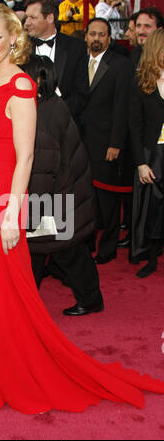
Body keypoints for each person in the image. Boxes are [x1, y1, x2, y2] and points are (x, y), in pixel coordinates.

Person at [0, 2, 164, 414]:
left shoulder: (20, 86)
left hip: (2, 197)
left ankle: (15, 368)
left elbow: (28, 157)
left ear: (15, 38)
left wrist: (13, 213)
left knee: (7, 287)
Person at [23, 55, 103, 317]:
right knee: (61, 252)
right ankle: (27, 305)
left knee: (60, 252)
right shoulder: (53, 104)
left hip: (57, 200)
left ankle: (89, 300)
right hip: (67, 195)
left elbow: (42, 172)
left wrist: (32, 216)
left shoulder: (42, 117)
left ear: (35, 80)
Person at [84, 17, 132, 264]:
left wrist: (116, 143)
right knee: (87, 196)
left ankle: (108, 247)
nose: (96, 38)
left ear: (109, 39)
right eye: (92, 34)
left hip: (106, 144)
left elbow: (122, 108)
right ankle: (87, 241)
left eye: (102, 35)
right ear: (86, 37)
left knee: (108, 199)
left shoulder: (121, 65)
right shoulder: (79, 63)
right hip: (81, 143)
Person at [24, 0, 89, 130]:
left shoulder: (76, 48)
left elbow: (81, 93)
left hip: (63, 128)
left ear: (50, 18)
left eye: (33, 18)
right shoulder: (22, 48)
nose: (27, 23)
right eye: (27, 17)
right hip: (28, 126)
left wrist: (57, 115)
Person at [129, 29, 164, 278]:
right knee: (152, 209)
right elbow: (134, 126)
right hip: (153, 155)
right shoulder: (142, 81)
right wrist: (140, 163)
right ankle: (151, 257)